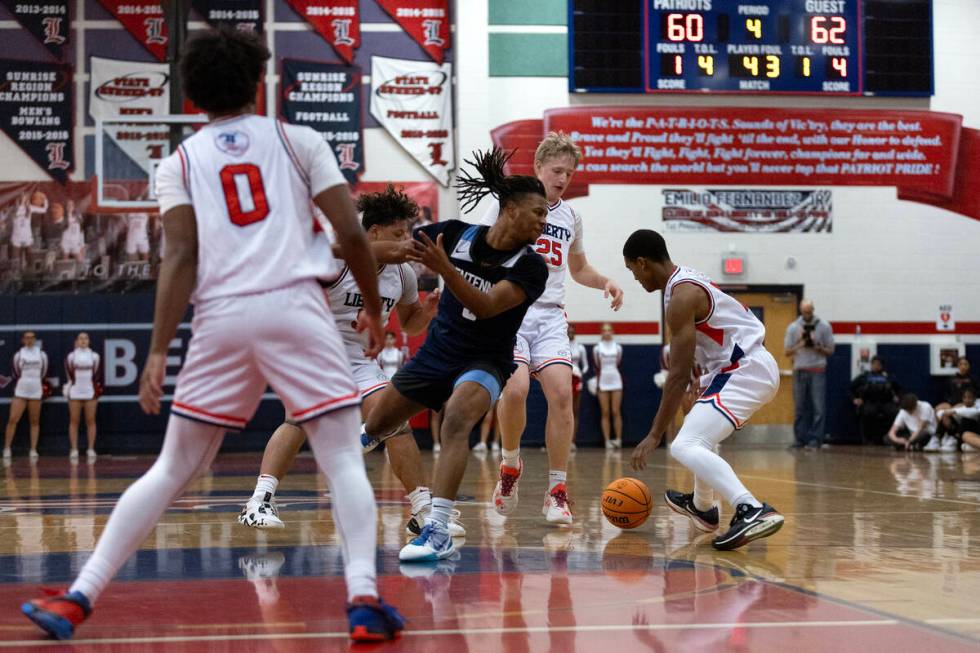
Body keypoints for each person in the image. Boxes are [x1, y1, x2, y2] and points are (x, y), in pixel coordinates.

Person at [21, 28, 403, 642]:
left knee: (172, 468)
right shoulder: (299, 139)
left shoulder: (178, 162)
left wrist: (156, 350)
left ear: (191, 97)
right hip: (292, 304)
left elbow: (178, 259)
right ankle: (362, 599)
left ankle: (78, 595)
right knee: (341, 457)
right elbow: (352, 235)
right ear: (259, 81)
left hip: (221, 316)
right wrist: (378, 314)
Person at [363, 147, 549, 562]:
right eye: (537, 211)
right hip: (436, 354)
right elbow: (391, 252)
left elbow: (486, 306)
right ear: (511, 209)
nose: (544, 220)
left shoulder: (531, 266)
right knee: (375, 426)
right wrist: (346, 256)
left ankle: (437, 529)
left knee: (457, 420)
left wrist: (444, 268)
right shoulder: (456, 232)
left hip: (486, 360)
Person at [237, 185, 452, 537]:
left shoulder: (403, 275)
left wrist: (426, 313)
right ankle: (258, 502)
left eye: (408, 234)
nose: (406, 242)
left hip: (360, 360)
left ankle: (422, 511)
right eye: (398, 235)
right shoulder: (336, 261)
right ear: (373, 233)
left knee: (396, 421)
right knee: (299, 420)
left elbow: (410, 321)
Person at [485, 133, 624, 526]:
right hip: (511, 309)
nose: (564, 178)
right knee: (515, 390)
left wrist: (606, 282)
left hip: (549, 316)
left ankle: (557, 492)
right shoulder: (508, 205)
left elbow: (578, 269)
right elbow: (483, 250)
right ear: (538, 168)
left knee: (562, 393)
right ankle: (510, 465)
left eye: (570, 172)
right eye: (557, 170)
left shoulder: (570, 217)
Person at [625, 229, 784, 551]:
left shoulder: (681, 297)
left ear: (643, 263)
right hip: (739, 368)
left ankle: (751, 508)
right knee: (701, 438)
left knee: (683, 445)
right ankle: (703, 507)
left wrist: (654, 435)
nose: (635, 279)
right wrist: (704, 380)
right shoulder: (683, 283)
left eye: (632, 271)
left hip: (745, 369)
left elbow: (678, 374)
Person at [784, 299, 835, 449]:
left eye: (809, 311)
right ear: (801, 311)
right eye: (804, 312)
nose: (807, 314)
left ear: (813, 310)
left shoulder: (824, 326)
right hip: (800, 371)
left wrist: (817, 346)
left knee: (818, 408)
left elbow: (831, 350)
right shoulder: (793, 328)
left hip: (817, 370)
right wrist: (800, 343)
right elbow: (787, 351)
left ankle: (815, 440)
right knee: (800, 408)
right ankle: (799, 439)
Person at [4, 331, 48, 463]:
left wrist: (35, 383)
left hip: (36, 389)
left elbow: (44, 372)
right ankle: (7, 448)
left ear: (35, 339)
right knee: (13, 419)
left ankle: (33, 449)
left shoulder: (42, 354)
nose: (29, 340)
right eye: (26, 338)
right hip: (21, 390)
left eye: (31, 338)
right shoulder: (18, 355)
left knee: (34, 421)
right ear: (23, 340)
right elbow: (16, 372)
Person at [64, 332, 101, 463]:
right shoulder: (71, 356)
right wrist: (70, 388)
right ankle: (74, 449)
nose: (83, 341)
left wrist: (94, 390)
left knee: (90, 420)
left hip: (90, 391)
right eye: (80, 338)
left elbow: (96, 374)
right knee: (74, 420)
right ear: (77, 341)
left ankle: (91, 448)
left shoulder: (95, 356)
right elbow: (69, 373)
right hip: (75, 391)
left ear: (89, 341)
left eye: (86, 338)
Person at [850, 356, 900, 445]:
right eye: (874, 364)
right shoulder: (864, 377)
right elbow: (850, 389)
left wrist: (898, 397)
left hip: (886, 402)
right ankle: (868, 440)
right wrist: (855, 399)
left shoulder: (888, 377)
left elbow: (899, 389)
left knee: (895, 412)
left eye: (878, 364)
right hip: (870, 402)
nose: (876, 366)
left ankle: (891, 438)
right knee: (867, 413)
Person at [594, 322, 624, 449]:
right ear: (602, 332)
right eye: (604, 330)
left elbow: (618, 362)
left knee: (615, 411)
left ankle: (618, 439)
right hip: (603, 380)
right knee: (605, 412)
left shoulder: (618, 348)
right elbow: (597, 365)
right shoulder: (597, 348)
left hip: (615, 379)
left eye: (609, 330)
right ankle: (607, 440)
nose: (607, 332)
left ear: (612, 332)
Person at [937, 387, 979, 452]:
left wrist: (954, 411)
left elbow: (973, 413)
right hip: (966, 435)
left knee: (965, 421)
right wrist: (945, 414)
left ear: (975, 399)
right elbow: (940, 413)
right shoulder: (961, 407)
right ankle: (951, 438)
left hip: (975, 430)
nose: (967, 400)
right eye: (964, 397)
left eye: (969, 397)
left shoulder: (977, 406)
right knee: (965, 445)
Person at [567, 324, 588, 445]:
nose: (570, 333)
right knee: (563, 409)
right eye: (568, 331)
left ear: (575, 332)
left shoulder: (580, 348)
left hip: (577, 378)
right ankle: (563, 440)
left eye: (572, 331)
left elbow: (586, 365)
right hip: (565, 378)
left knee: (575, 410)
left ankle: (572, 440)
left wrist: (580, 372)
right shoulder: (561, 345)